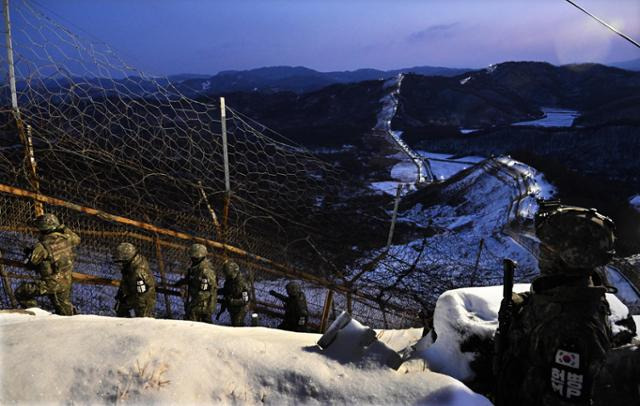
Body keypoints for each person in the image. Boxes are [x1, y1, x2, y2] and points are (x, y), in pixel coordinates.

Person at [494, 203, 639, 406]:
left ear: (572, 257)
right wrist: (525, 302)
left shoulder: (574, 331)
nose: (541, 251)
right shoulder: (577, 289)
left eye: (548, 247)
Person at [16, 213, 80, 315]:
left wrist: (29, 253)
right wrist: (63, 228)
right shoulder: (68, 238)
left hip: (51, 282)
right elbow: (77, 239)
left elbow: (30, 264)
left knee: (21, 292)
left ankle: (36, 316)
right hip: (66, 280)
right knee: (64, 310)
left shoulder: (42, 245)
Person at [174, 243, 217, 323]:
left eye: (193, 257)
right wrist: (182, 282)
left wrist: (192, 304)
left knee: (194, 320)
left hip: (204, 303)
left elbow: (205, 293)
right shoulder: (196, 267)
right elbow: (191, 278)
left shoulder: (205, 270)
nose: (191, 258)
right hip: (198, 299)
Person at [113, 242, 156, 318]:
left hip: (143, 302)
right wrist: (121, 294)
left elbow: (142, 295)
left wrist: (127, 301)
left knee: (142, 321)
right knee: (121, 309)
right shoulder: (130, 266)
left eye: (121, 261)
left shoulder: (138, 272)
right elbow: (126, 281)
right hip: (134, 296)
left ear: (127, 258)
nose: (120, 264)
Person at [218, 260, 250, 326]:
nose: (227, 276)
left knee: (237, 324)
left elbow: (245, 300)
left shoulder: (242, 283)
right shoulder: (229, 281)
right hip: (232, 307)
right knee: (234, 323)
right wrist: (216, 292)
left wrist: (232, 301)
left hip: (241, 308)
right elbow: (226, 290)